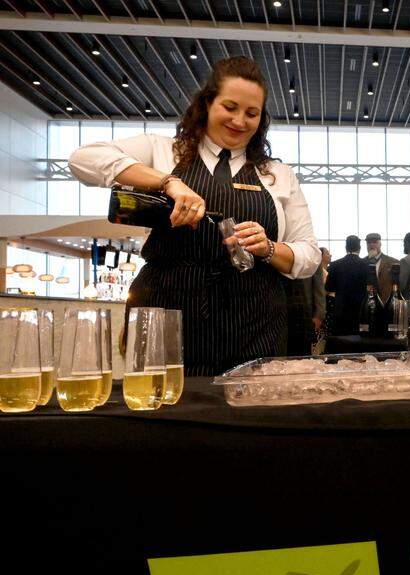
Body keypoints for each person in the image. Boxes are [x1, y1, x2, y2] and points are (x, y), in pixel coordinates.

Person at [68, 57, 319, 376]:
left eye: (251, 113)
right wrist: (167, 181)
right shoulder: (163, 151)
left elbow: (309, 254)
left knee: (246, 405)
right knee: (161, 403)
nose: (239, 121)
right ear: (207, 103)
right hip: (165, 313)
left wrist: (268, 248)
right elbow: (83, 159)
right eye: (230, 107)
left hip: (254, 323)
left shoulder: (277, 174)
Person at [284, 246, 329, 355]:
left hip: (304, 310)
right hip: (280, 310)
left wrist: (319, 314)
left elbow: (318, 286)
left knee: (302, 353)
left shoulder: (311, 250)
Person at [325, 235, 372, 335]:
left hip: (340, 309)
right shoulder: (367, 265)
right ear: (359, 248)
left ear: (346, 248)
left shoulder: (335, 265)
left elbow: (329, 287)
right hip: (360, 310)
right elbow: (372, 287)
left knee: (341, 340)